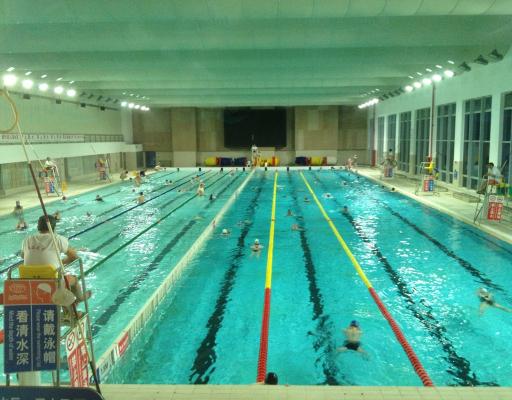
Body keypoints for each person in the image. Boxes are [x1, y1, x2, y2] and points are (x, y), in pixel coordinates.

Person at [21, 215, 91, 306]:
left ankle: (70, 307)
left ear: (38, 227)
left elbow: (23, 256)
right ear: (54, 227)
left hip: (29, 282)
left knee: (61, 280)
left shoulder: (26, 240)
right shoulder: (57, 239)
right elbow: (74, 257)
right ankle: (79, 299)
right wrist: (61, 262)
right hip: (53, 283)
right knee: (73, 280)